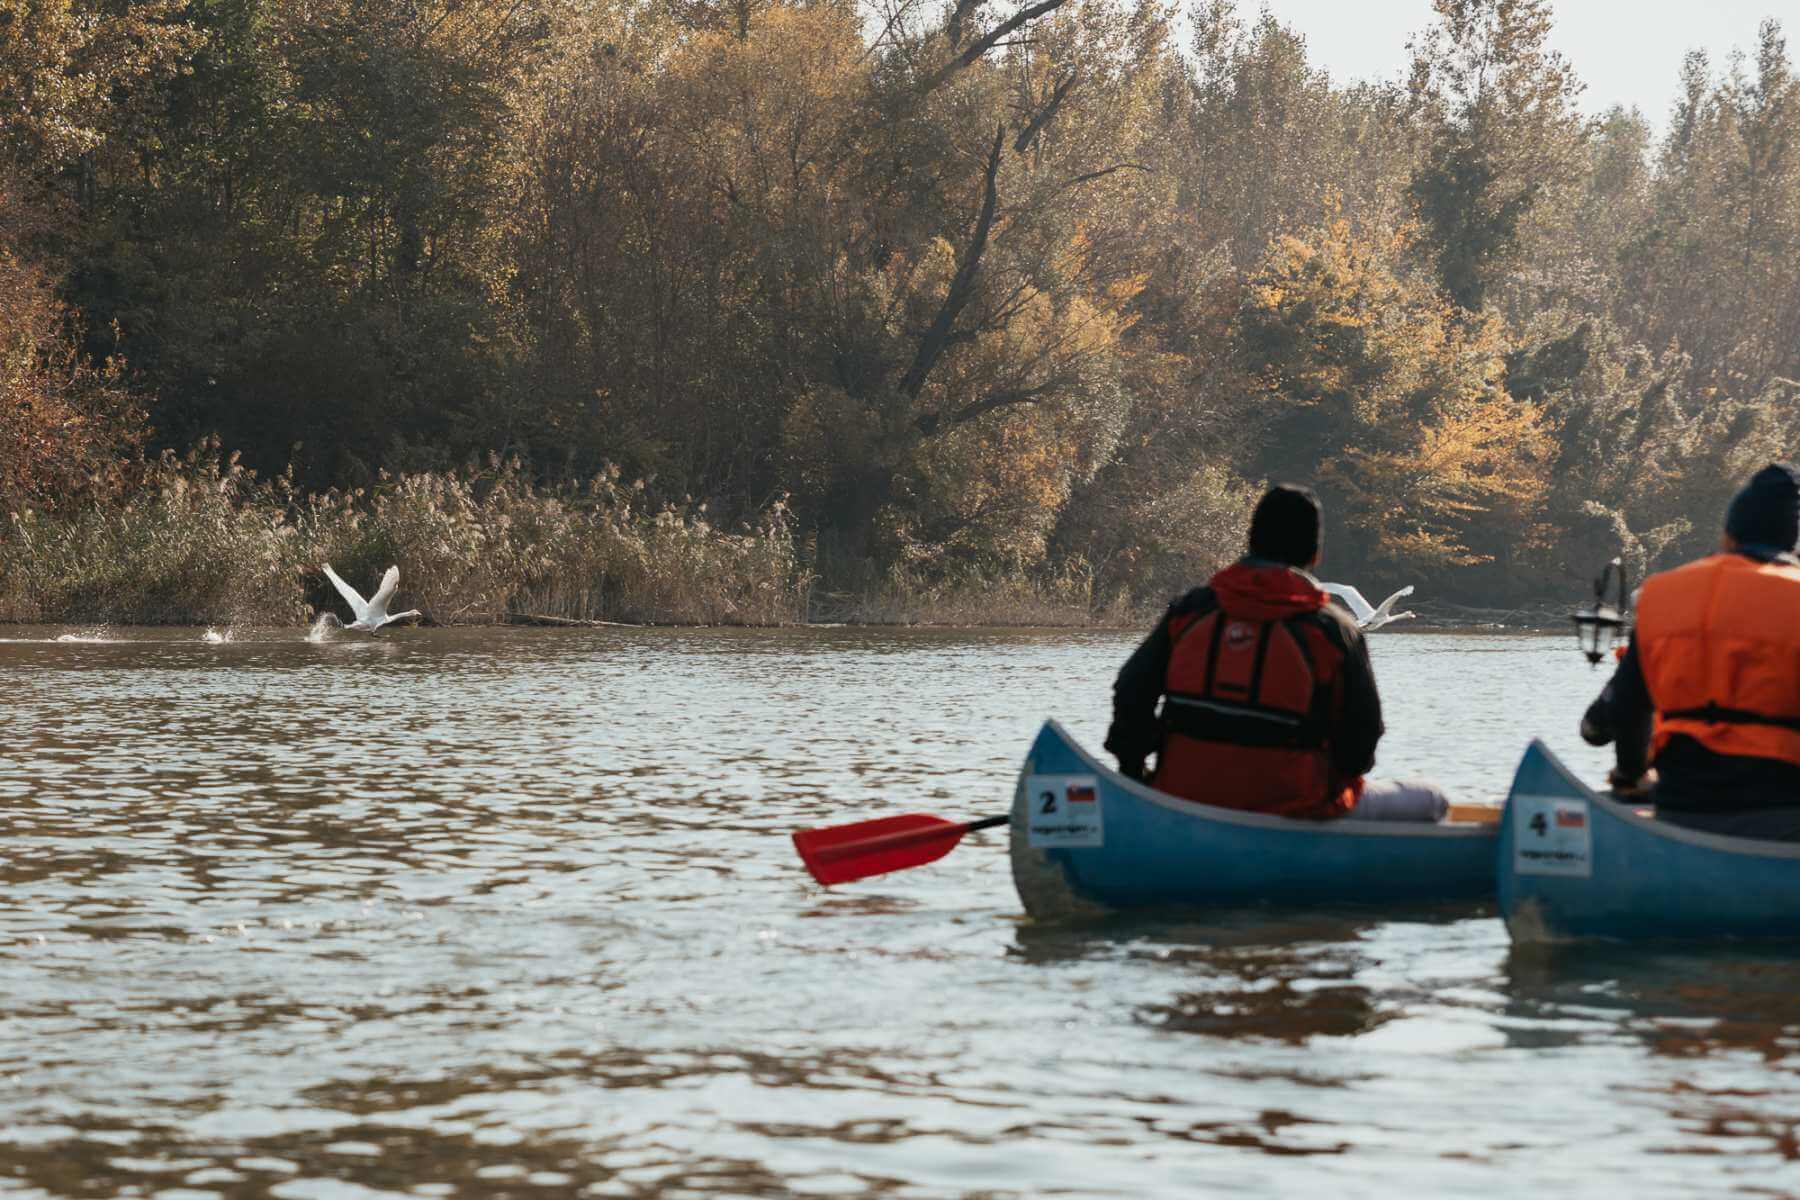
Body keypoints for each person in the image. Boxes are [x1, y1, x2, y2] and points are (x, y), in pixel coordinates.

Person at [1105, 483, 1447, 822]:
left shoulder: (1189, 611)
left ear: (1251, 541)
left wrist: (1135, 774)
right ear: (1315, 555)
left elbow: (1130, 692)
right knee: (1433, 799)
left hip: (1181, 794)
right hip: (1297, 805)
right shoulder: (1334, 630)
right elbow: (1362, 743)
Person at [1581, 463, 1800, 841]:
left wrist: (1631, 777)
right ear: (1791, 541)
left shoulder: (1661, 596)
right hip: (1783, 813)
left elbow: (1627, 708)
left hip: (1682, 808)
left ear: (1729, 534)